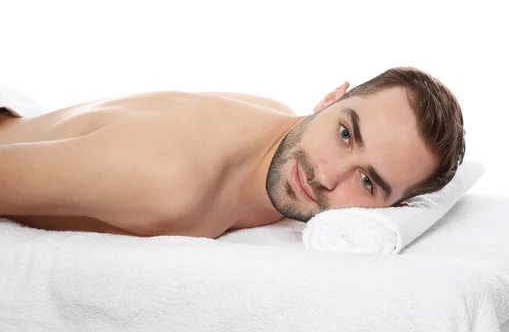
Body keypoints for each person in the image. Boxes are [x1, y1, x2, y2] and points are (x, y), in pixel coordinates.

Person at [0, 67, 466, 239]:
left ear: (392, 209)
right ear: (329, 98)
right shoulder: (168, 179)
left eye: (367, 182)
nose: (328, 176)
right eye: (346, 134)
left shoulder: (277, 125)